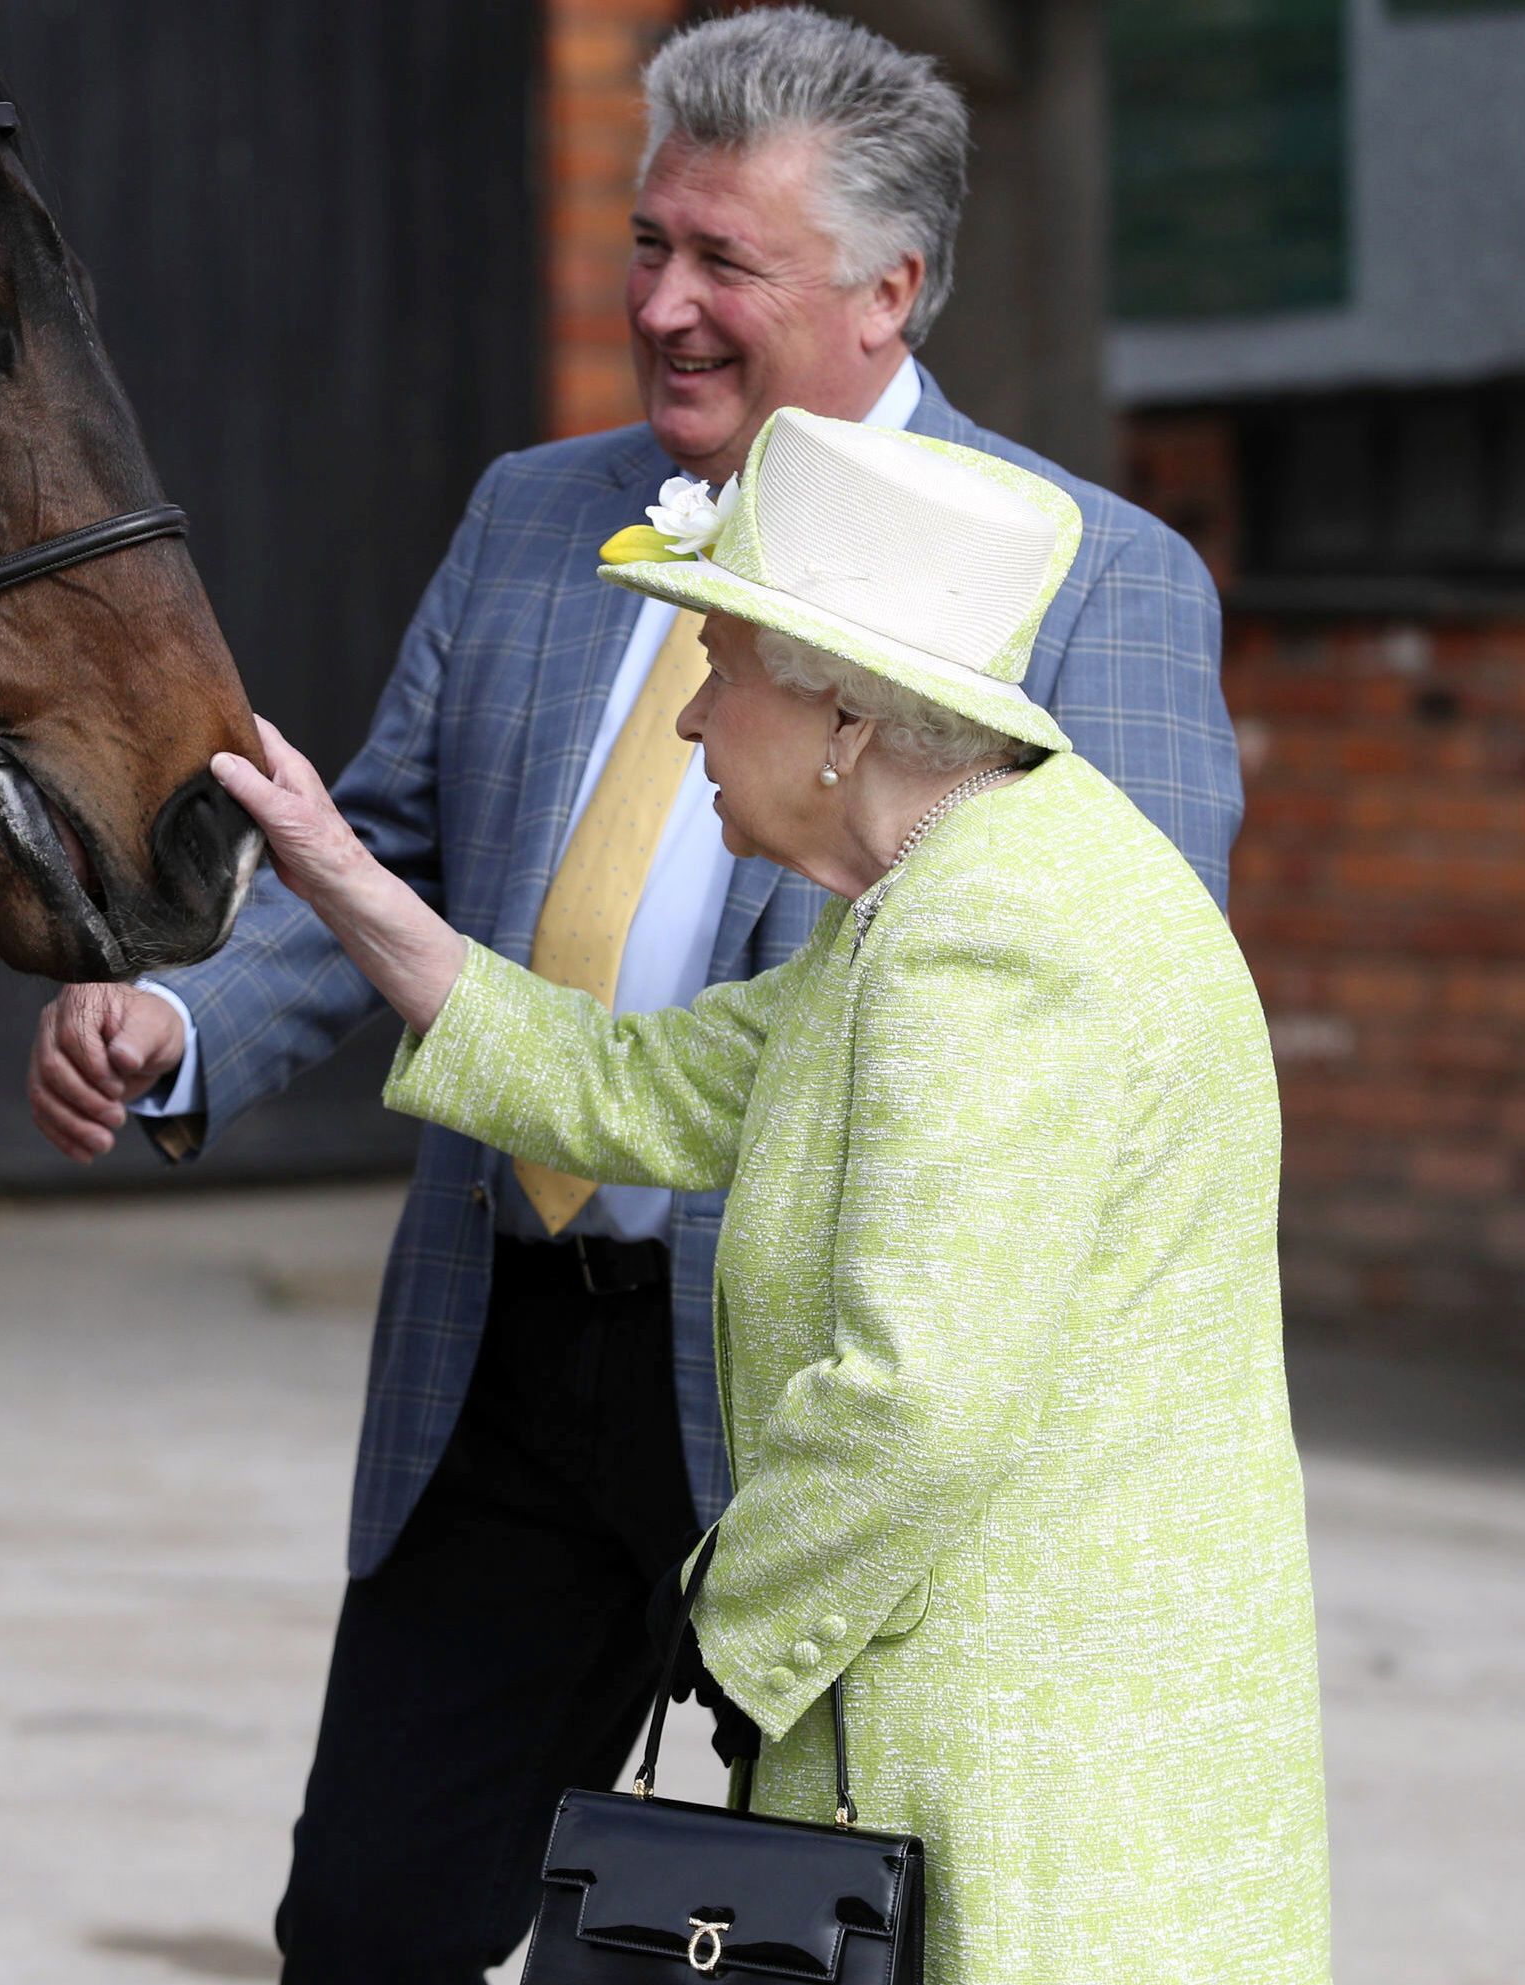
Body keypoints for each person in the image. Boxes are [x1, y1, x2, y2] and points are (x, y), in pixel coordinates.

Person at [23, 7, 1241, 1975]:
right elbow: (393, 835)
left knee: (825, 1941)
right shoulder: (532, 507)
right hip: (503, 1353)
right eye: (645, 241)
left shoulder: (1093, 576)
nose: (660, 304)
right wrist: (182, 1022)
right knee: (365, 1921)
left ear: (887, 287)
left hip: (836, 1400)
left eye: (722, 261)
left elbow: (1113, 1015)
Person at [207, 408, 1330, 1984]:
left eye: (715, 664)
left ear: (843, 719)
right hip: (959, 1738)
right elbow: (623, 1084)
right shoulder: (929, 904)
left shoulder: (990, 943)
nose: (683, 721)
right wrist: (338, 869)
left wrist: (715, 1625)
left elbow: (914, 1399)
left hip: (1024, 1766)